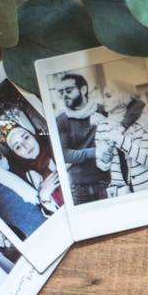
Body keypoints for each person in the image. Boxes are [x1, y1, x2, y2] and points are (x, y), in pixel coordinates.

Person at [93, 90, 148, 196]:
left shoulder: (141, 122)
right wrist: (105, 157)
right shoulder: (102, 127)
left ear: (123, 97)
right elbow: (102, 166)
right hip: (122, 193)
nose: (103, 100)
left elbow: (146, 158)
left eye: (108, 95)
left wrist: (119, 139)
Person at [50, 72, 109, 205]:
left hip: (106, 180)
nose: (64, 95)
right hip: (78, 187)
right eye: (61, 92)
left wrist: (106, 124)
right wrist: (95, 152)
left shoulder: (102, 110)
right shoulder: (61, 121)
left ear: (83, 89)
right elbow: (64, 154)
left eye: (68, 90)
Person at [0, 115, 62, 215]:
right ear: (16, 154)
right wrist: (44, 195)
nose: (26, 145)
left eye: (26, 137)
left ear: (33, 135)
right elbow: (49, 215)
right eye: (18, 146)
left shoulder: (58, 146)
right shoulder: (29, 176)